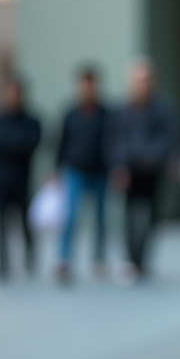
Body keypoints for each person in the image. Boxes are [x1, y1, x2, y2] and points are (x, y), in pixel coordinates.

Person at [106, 58, 175, 283]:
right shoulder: (122, 110)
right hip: (129, 173)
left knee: (152, 217)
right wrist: (119, 166)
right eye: (138, 80)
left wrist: (152, 156)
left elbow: (167, 137)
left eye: (146, 80)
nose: (142, 85)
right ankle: (132, 260)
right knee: (129, 218)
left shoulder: (162, 108)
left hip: (152, 172)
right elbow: (115, 141)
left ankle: (143, 259)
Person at [54, 66, 110, 284]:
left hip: (100, 172)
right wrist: (57, 169)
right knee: (69, 216)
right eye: (84, 86)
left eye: (91, 86)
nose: (88, 90)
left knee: (100, 218)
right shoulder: (70, 113)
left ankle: (98, 258)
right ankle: (64, 259)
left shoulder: (106, 114)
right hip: (75, 171)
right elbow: (61, 143)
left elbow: (111, 143)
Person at [0, 78, 42, 280]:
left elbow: (29, 145)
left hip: (22, 180)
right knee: (0, 223)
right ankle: (2, 262)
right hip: (0, 180)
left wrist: (8, 144)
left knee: (26, 221)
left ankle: (30, 258)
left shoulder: (31, 120)